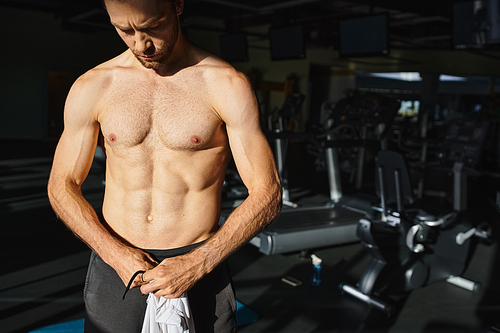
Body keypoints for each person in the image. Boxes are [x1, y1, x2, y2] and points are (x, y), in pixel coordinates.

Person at [47, 0, 282, 331]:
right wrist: (114, 254)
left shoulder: (226, 84)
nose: (140, 44)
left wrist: (198, 263)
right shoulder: (94, 86)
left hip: (199, 262)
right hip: (117, 263)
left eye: (152, 27)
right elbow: (62, 184)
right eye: (125, 30)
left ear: (177, 6)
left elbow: (267, 193)